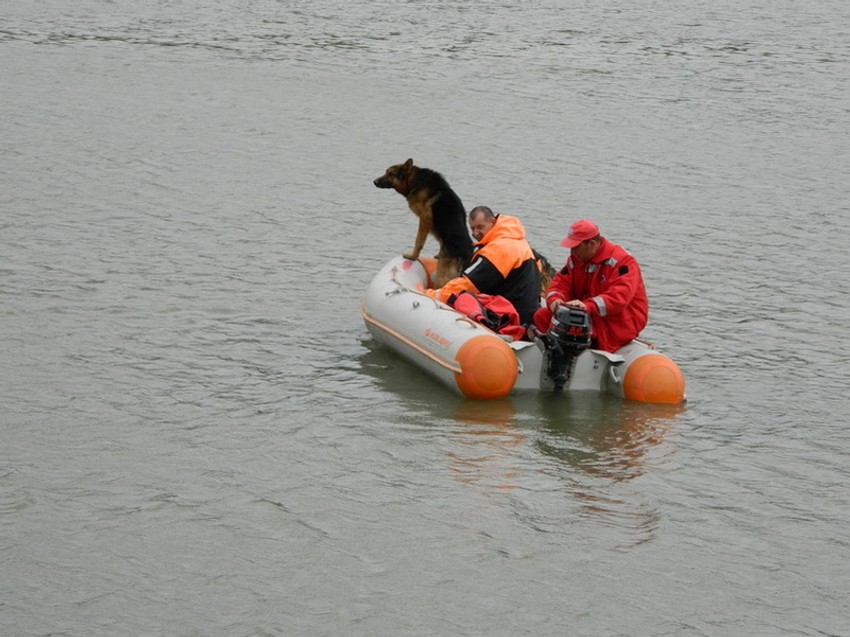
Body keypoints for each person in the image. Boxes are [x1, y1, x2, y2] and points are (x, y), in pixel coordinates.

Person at [532, 219, 648, 352]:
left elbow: (619, 297)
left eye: (576, 247)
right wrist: (555, 300)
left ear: (591, 244)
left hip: (617, 322)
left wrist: (588, 306)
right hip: (589, 316)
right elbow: (559, 285)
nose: (572, 251)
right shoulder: (576, 260)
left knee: (578, 328)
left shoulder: (622, 261)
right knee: (541, 316)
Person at [424, 206, 541, 324]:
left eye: (480, 227)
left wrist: (432, 296)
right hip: (527, 314)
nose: (476, 233)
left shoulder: (499, 248)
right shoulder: (518, 241)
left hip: (509, 316)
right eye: (472, 228)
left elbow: (468, 284)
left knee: (464, 298)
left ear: (493, 221)